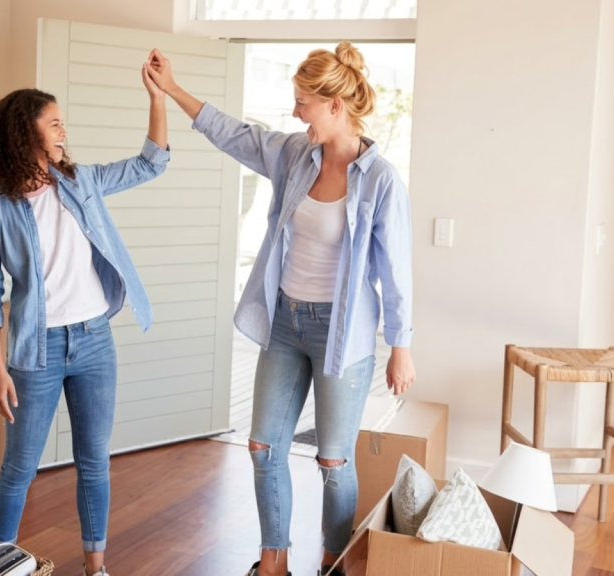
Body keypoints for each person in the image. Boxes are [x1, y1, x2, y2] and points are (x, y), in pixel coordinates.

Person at [145, 43, 415, 576]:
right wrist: (171, 88)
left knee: (333, 461)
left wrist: (401, 347)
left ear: (335, 105)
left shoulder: (380, 182)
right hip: (286, 322)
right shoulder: (295, 154)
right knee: (263, 446)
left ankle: (333, 563)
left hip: (343, 334)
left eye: (303, 103)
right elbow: (234, 134)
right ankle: (273, 564)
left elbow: (396, 273)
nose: (295, 113)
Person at [0, 63, 168, 576]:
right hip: (36, 350)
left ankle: (95, 567)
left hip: (95, 341)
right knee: (19, 467)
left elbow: (151, 164)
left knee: (94, 461)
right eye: (54, 123)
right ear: (24, 133)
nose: (63, 131)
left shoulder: (81, 182)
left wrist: (157, 95)